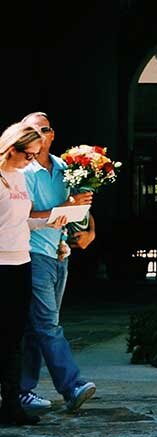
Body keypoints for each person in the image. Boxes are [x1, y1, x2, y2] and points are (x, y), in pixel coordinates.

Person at [18, 113, 96, 415]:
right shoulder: (23, 172)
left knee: (35, 327)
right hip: (33, 253)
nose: (38, 134)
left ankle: (23, 391)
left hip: (59, 254)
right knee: (48, 324)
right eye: (32, 130)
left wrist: (87, 229)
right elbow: (22, 217)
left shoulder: (66, 169)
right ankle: (72, 386)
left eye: (44, 129)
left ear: (52, 135)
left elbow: (80, 208)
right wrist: (62, 210)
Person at [1, 121, 62, 426]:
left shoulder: (20, 178)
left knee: (14, 336)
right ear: (12, 149)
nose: (31, 162)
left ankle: (12, 405)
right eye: (28, 155)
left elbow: (22, 221)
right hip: (0, 264)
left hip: (21, 261)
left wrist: (49, 222)